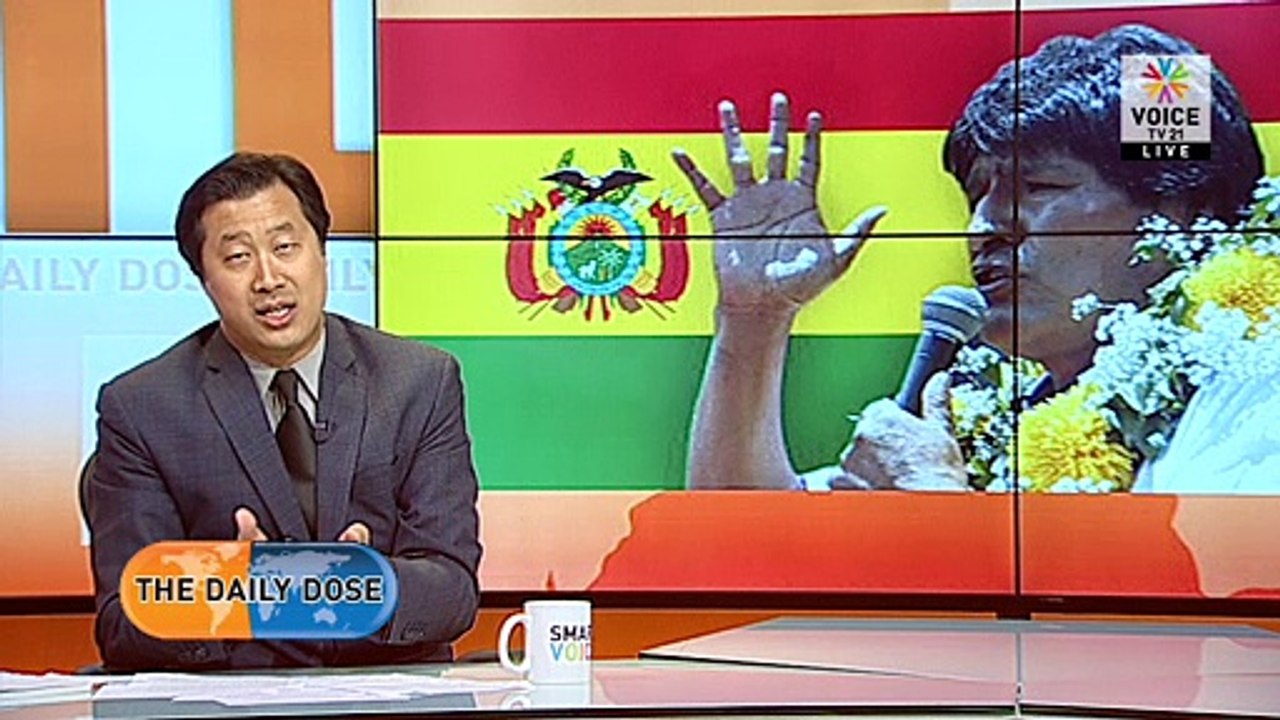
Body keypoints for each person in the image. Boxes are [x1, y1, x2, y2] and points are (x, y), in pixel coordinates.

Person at [677, 24, 1271, 491]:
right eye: (975, 196)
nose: (984, 227)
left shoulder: (1257, 384)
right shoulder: (982, 415)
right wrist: (754, 319)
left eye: (1038, 187)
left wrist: (937, 498)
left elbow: (1214, 593)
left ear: (1181, 212)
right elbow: (747, 539)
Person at [87, 153, 482, 669]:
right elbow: (122, 623)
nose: (268, 278)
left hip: (385, 690)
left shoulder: (418, 382)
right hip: (232, 696)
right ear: (204, 279)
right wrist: (234, 589)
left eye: (285, 247)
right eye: (237, 257)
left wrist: (357, 586)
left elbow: (452, 590)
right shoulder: (143, 407)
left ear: (322, 251)